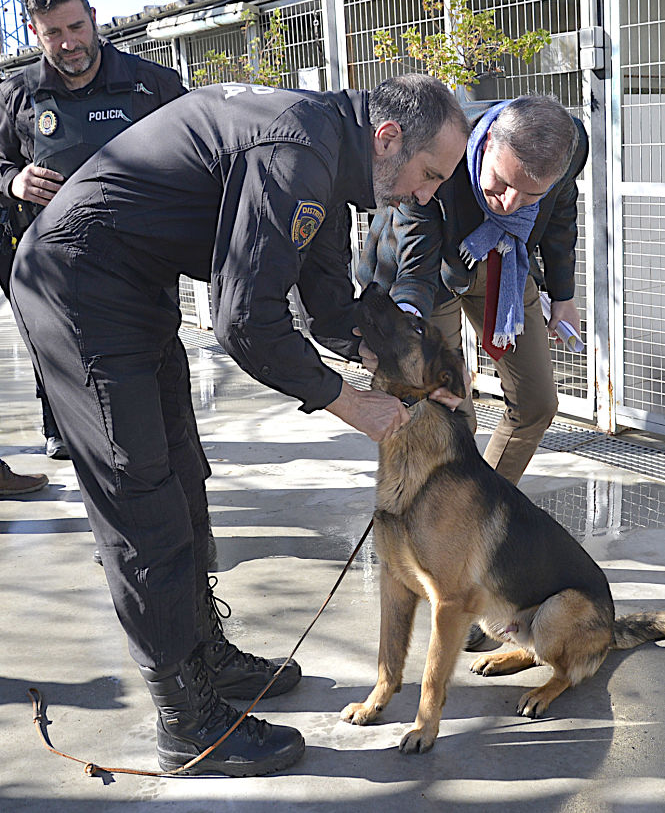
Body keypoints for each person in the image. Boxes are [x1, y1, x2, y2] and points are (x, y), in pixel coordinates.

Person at [9, 74, 469, 776]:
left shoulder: (327, 160)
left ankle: (201, 653)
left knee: (183, 479)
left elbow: (327, 309)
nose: (427, 194)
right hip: (76, 287)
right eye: (429, 174)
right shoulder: (299, 150)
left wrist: (418, 378)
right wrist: (350, 404)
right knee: (143, 502)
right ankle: (186, 721)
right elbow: (245, 321)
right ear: (387, 139)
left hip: (130, 288)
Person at [0, 0, 185, 460]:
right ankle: (65, 431)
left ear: (93, 18)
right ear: (35, 32)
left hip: (143, 269)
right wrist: (12, 181)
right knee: (64, 364)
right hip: (56, 272)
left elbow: (202, 157)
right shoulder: (17, 96)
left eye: (76, 27)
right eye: (53, 33)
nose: (68, 44)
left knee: (152, 378)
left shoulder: (155, 85)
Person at [359, 94, 587, 487]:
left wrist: (564, 296)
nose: (510, 203)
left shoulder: (571, 145)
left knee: (537, 402)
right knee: (449, 405)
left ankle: (485, 500)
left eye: (531, 195)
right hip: (426, 269)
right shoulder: (440, 149)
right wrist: (414, 337)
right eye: (501, 182)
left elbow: (561, 213)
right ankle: (445, 519)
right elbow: (417, 256)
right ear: (484, 148)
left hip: (506, 265)